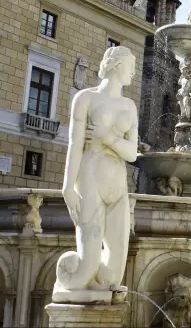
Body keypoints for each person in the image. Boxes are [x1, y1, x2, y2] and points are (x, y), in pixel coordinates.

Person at [53, 46, 139, 303]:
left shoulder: (129, 106)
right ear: (116, 65)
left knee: (114, 272)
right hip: (89, 180)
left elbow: (132, 153)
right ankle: (74, 288)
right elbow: (74, 145)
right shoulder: (85, 99)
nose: (133, 73)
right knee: (87, 261)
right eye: (130, 67)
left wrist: (108, 137)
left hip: (117, 185)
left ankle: (97, 290)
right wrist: (68, 187)